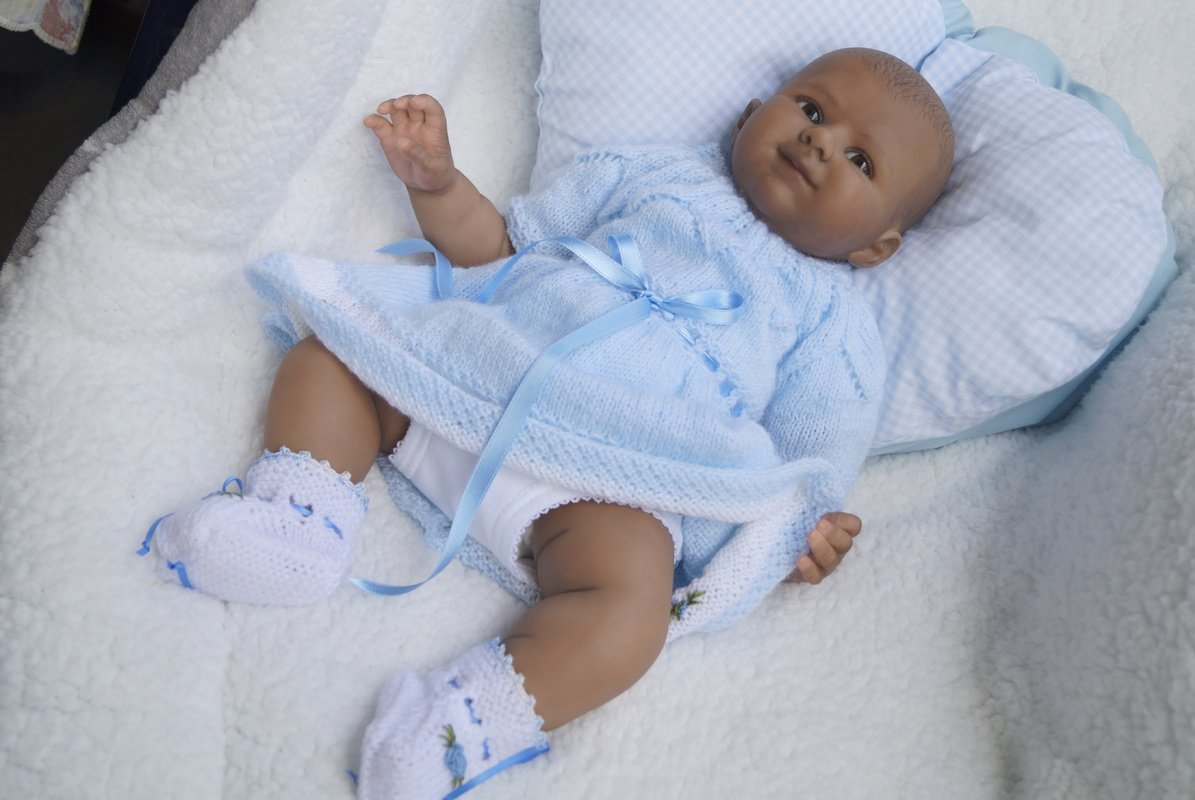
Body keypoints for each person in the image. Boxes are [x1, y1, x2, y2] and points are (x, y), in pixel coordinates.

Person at [143, 47, 953, 798]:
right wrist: (438, 186)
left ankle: (464, 722)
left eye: (861, 160)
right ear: (749, 115)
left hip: (610, 482)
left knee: (631, 611)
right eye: (811, 110)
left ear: (877, 248)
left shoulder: (833, 324)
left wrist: (811, 536)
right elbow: (502, 249)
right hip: (474, 378)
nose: (821, 142)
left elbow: (807, 467)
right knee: (335, 355)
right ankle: (298, 520)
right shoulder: (653, 174)